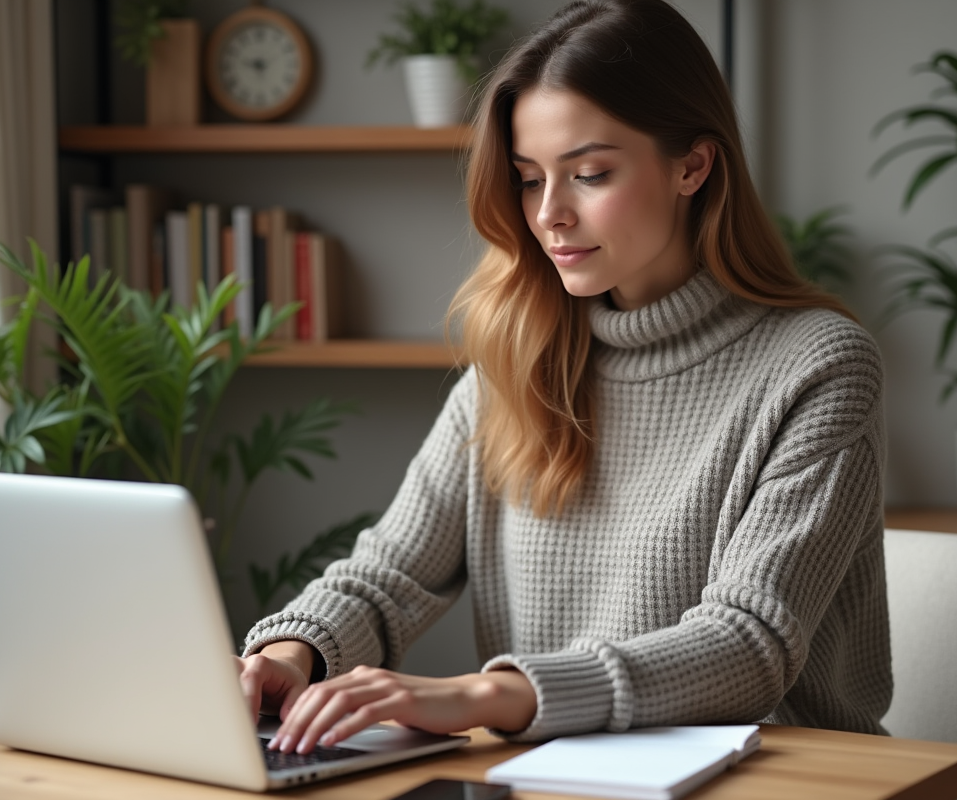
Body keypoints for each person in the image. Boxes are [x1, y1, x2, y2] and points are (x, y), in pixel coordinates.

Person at [237, 0, 891, 756]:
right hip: (558, 772)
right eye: (527, 179)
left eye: (589, 174)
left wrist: (485, 695)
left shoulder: (819, 366)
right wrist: (292, 653)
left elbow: (747, 645)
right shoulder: (519, 357)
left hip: (776, 773)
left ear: (692, 166)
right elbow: (389, 573)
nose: (549, 213)